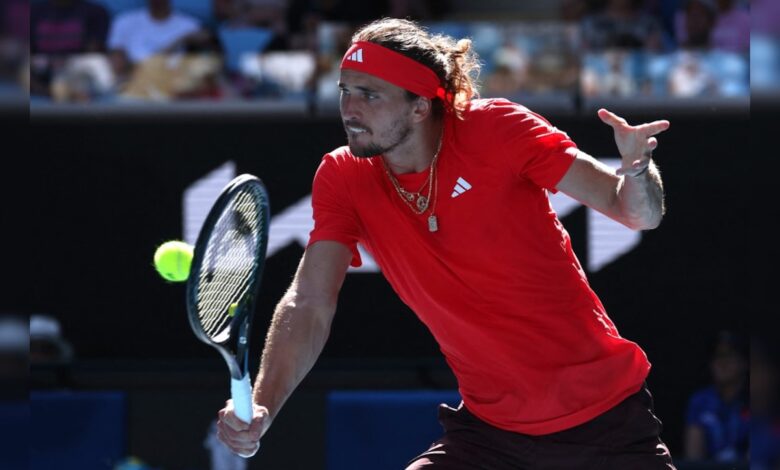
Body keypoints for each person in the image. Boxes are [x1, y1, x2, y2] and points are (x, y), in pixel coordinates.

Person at [216, 17, 674, 469]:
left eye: (369, 95)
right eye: (345, 91)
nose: (350, 109)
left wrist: (636, 171)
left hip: (605, 427)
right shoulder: (342, 177)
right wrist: (263, 405)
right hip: (489, 438)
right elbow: (309, 302)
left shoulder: (499, 129)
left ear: (419, 106)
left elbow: (636, 212)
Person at [683, 331, 749, 462]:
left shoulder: (759, 400)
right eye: (717, 356)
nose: (722, 363)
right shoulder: (700, 401)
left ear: (744, 362)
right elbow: (693, 457)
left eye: (729, 355)